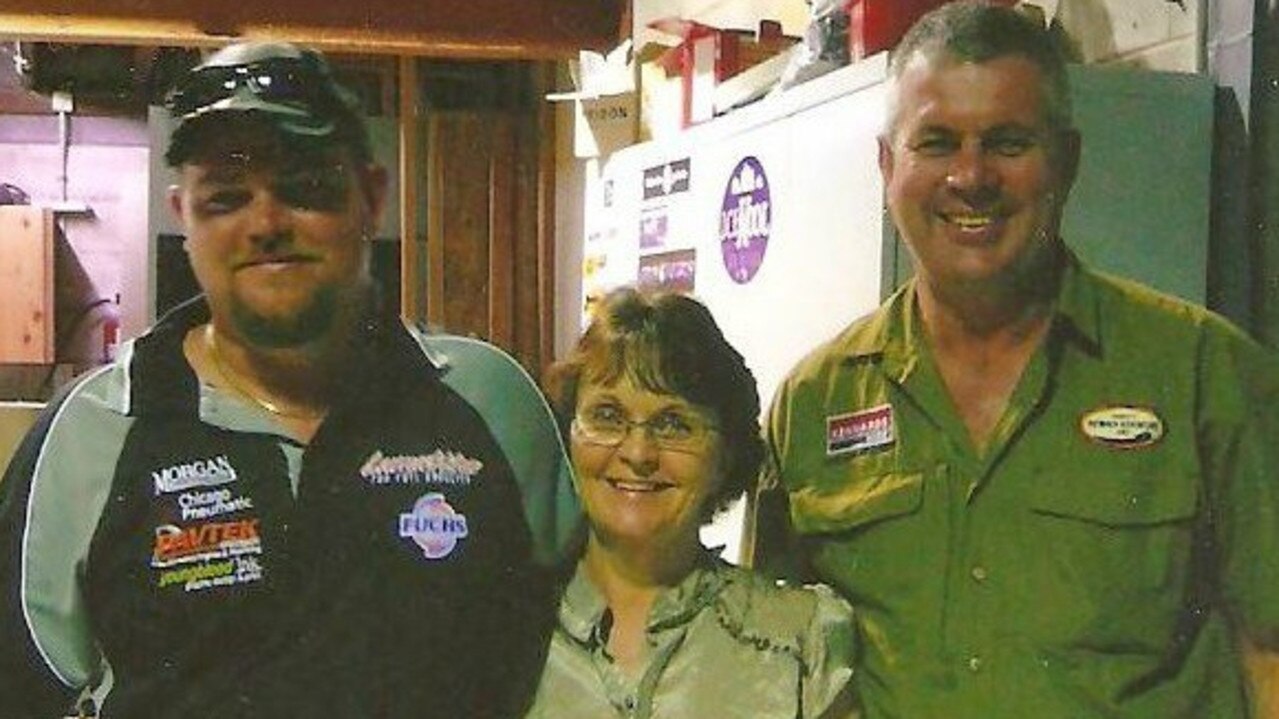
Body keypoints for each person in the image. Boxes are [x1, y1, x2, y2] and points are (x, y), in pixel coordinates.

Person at [0, 41, 572, 718]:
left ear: (373, 198)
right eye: (227, 198)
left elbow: (593, 634)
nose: (265, 223)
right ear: (184, 218)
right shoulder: (89, 432)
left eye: (304, 188)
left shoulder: (490, 401)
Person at [749, 2, 1279, 717]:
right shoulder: (813, 404)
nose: (970, 176)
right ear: (886, 165)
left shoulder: (1202, 374)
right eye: (934, 142)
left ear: (1066, 159)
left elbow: (1268, 650)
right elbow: (775, 665)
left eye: (1007, 142)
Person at [528, 287, 859, 719]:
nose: (639, 453)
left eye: (673, 424)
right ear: (568, 435)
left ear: (724, 458)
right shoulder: (505, 629)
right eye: (607, 416)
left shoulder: (799, 639)